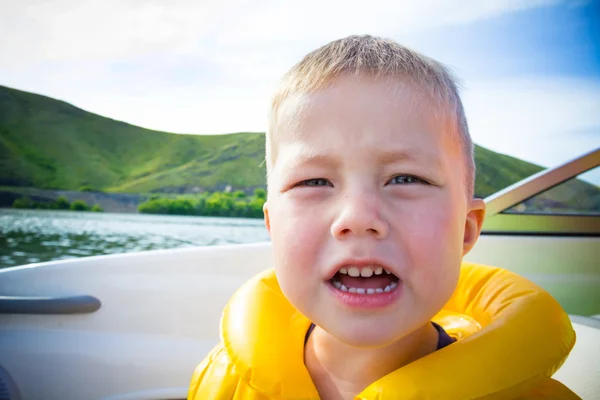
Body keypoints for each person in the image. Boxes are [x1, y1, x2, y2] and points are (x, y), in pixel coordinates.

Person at [188, 35, 578, 399]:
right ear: (272, 226)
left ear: (466, 228)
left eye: (406, 178)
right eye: (315, 180)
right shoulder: (220, 382)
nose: (358, 217)